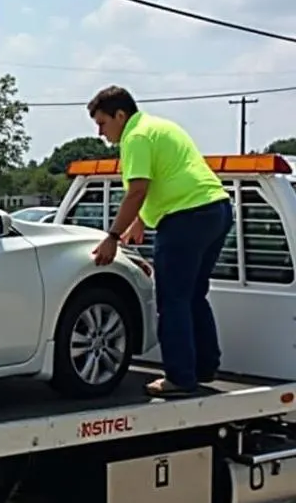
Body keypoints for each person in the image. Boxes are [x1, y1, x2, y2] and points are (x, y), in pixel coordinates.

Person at [86, 85, 234, 398]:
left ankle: (179, 378)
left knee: (173, 300)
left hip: (185, 219)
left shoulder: (135, 138)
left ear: (120, 115)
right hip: (217, 210)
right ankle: (204, 367)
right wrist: (140, 221)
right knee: (194, 295)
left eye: (102, 123)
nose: (100, 132)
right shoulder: (160, 126)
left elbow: (138, 190)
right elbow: (168, 178)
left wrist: (112, 237)